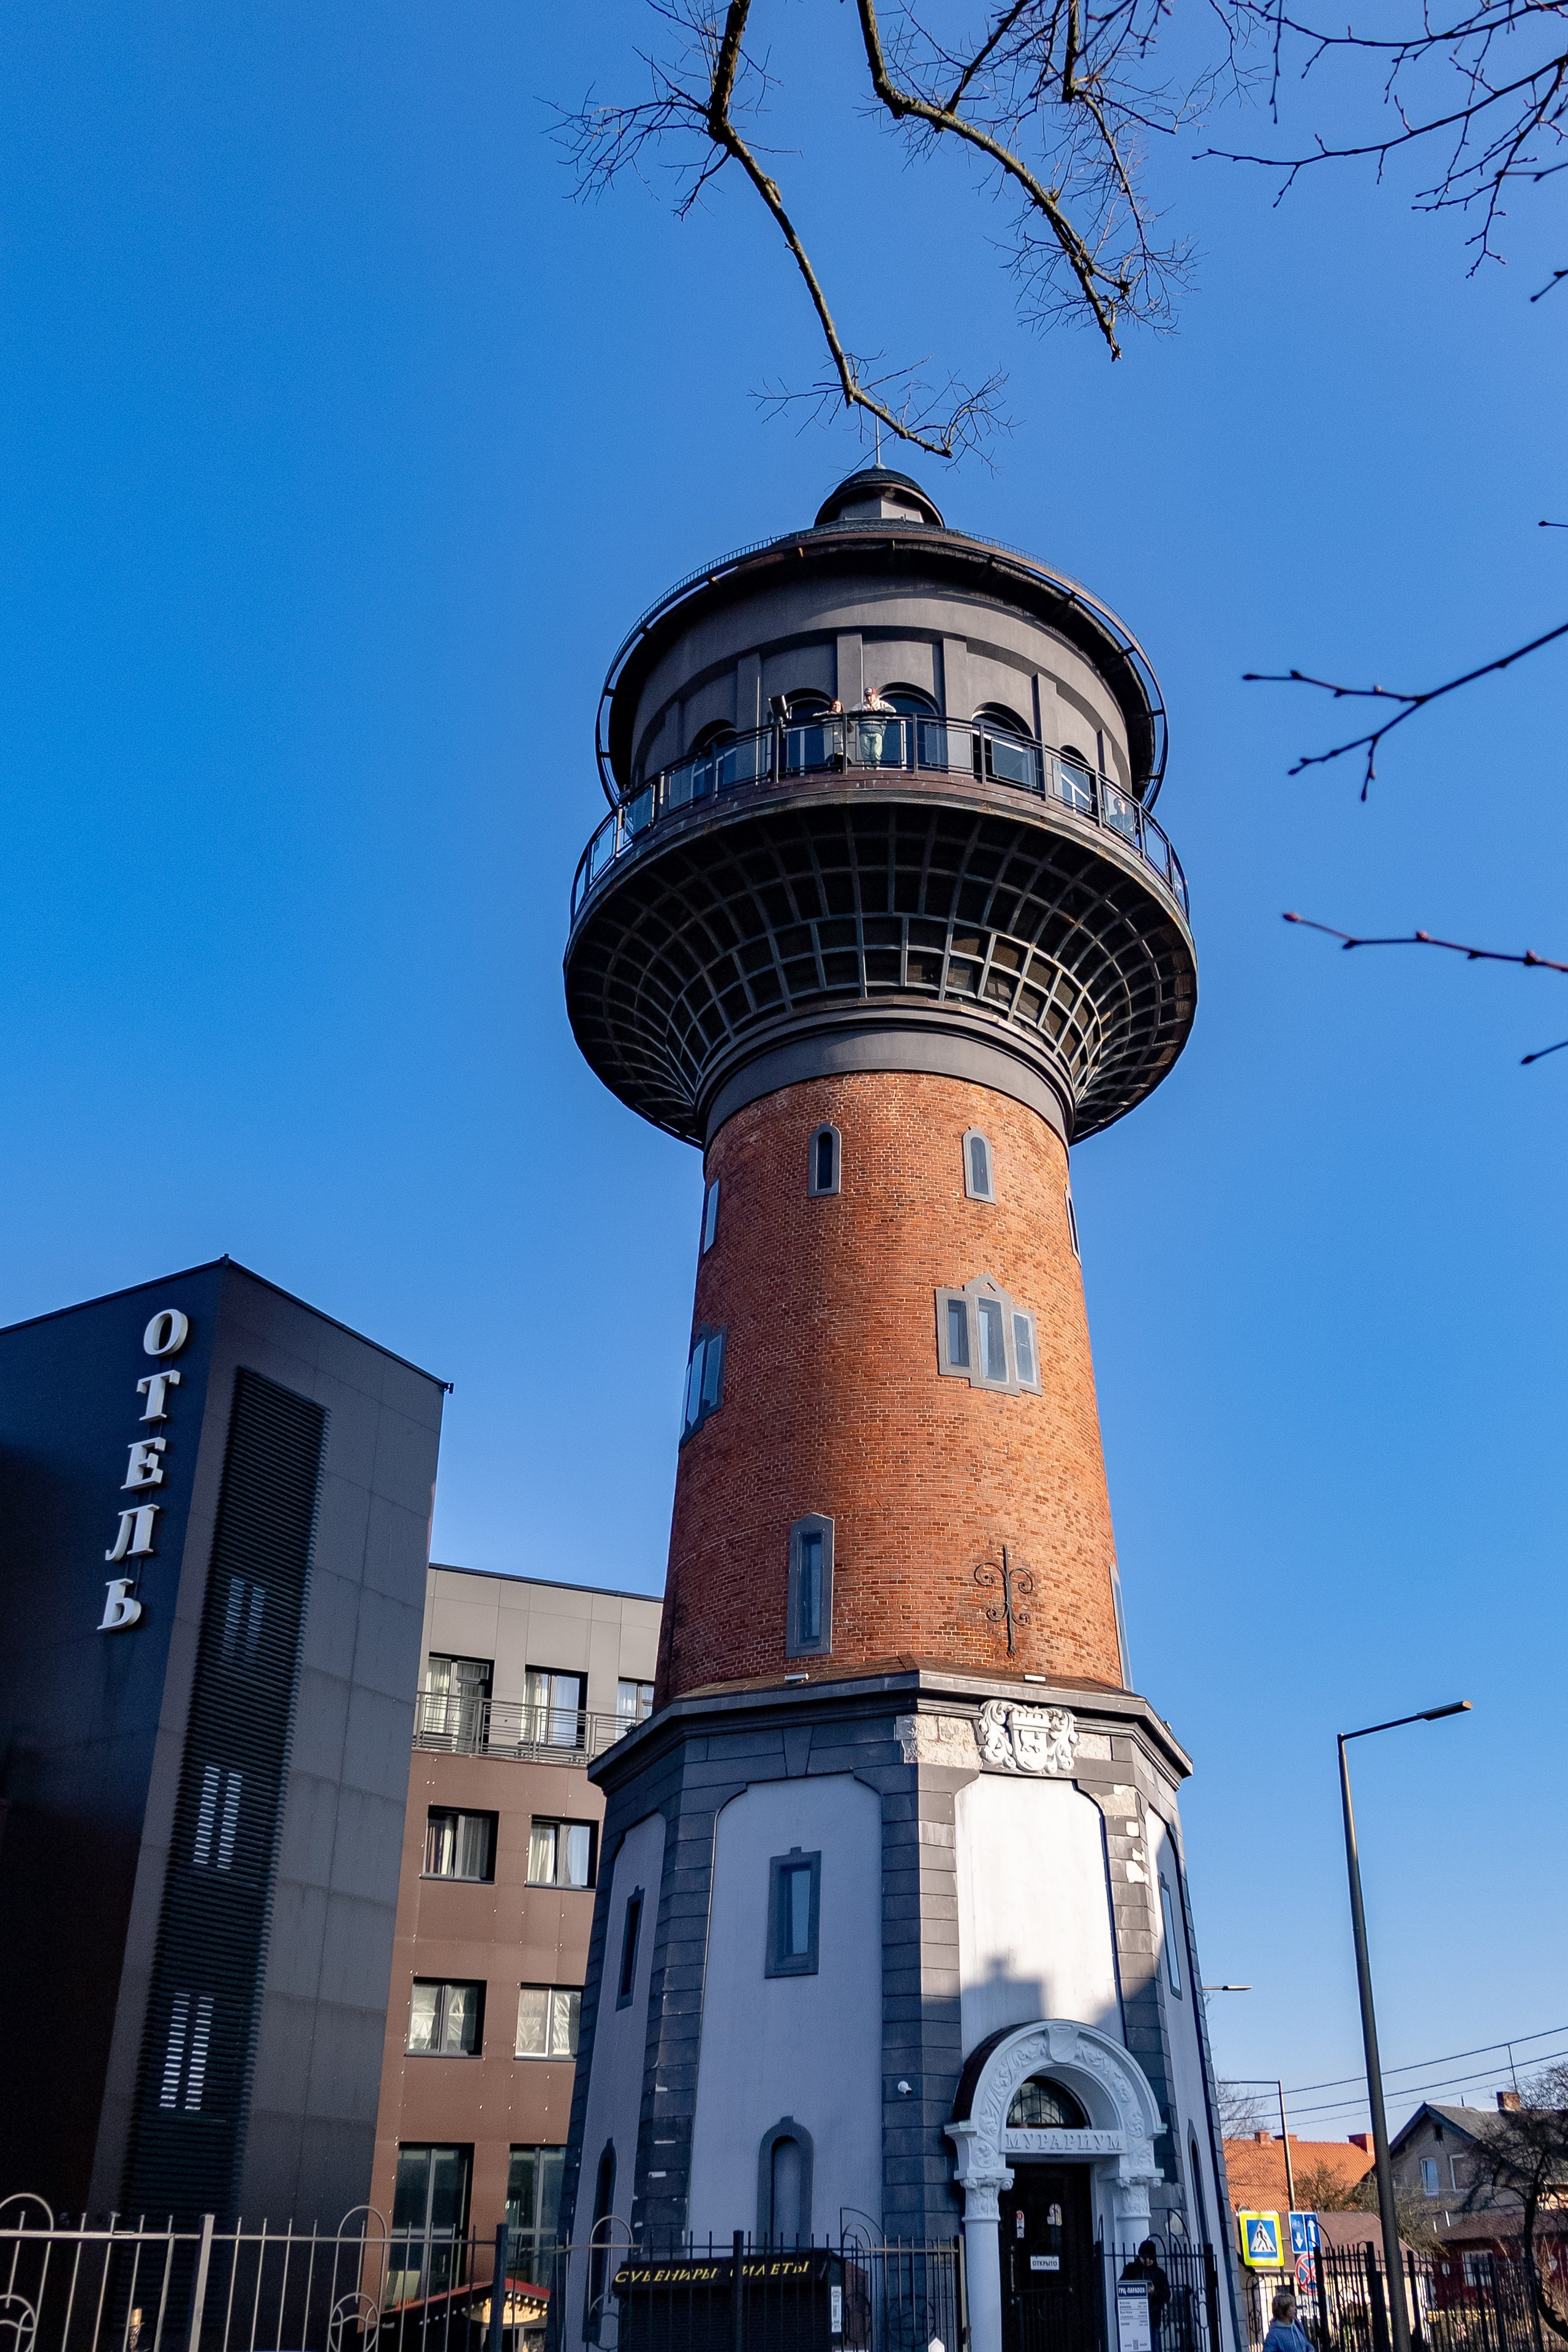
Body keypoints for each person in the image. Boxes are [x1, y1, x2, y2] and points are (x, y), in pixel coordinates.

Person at [1121, 2241, 1171, 2352]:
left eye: (1150, 2258)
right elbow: (1122, 2288)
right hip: (1135, 2318)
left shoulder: (1159, 2273)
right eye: (1144, 2257)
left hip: (1153, 2318)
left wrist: (1155, 2292)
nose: (1147, 2261)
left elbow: (1167, 2294)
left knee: (1155, 2346)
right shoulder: (1131, 2270)